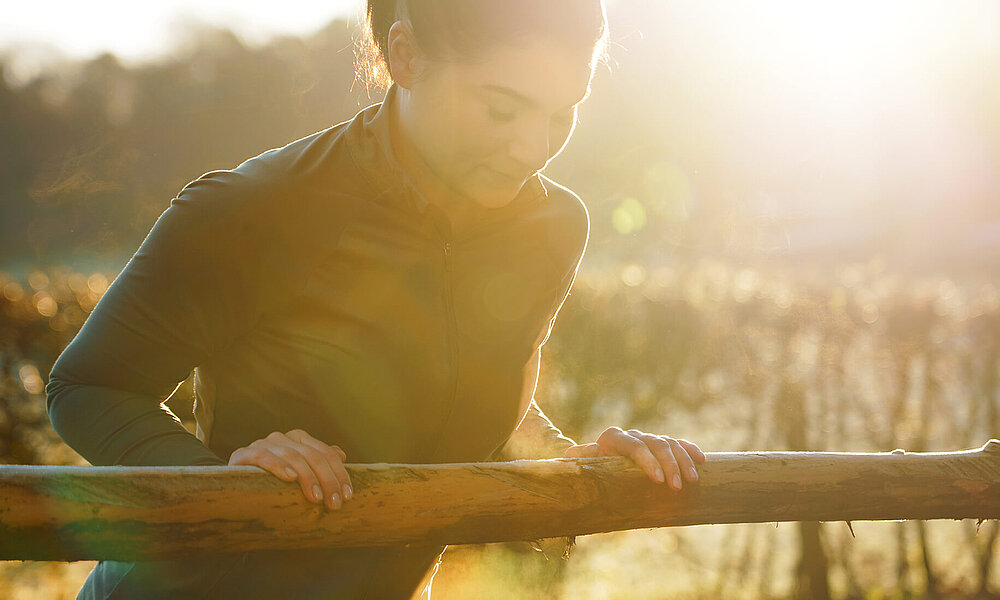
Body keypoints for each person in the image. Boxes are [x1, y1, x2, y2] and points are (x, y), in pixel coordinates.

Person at [45, 1, 706, 598]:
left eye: (562, 112)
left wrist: (572, 462)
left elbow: (476, 393)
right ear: (406, 57)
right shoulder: (255, 209)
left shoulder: (552, 229)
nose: (531, 149)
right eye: (502, 109)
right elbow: (85, 387)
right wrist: (220, 478)